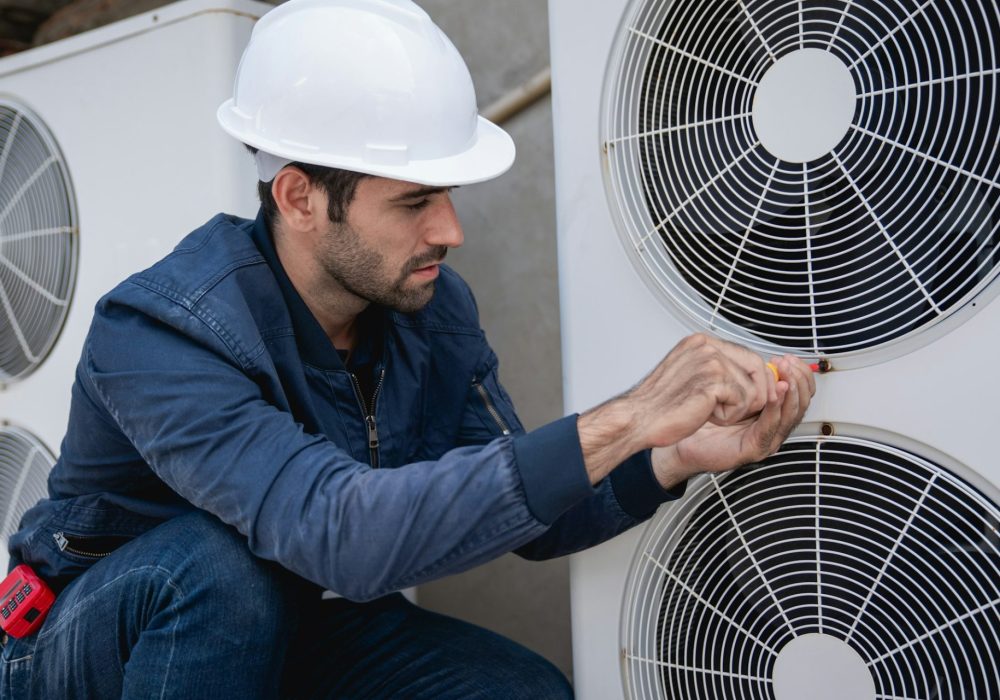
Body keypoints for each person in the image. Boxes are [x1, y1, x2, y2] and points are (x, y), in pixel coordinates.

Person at [0, 0, 815, 697]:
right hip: (93, 646)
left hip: (292, 621)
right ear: (300, 197)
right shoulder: (162, 333)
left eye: (448, 195)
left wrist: (669, 454)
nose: (450, 231)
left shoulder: (427, 309)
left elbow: (524, 505)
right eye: (415, 201)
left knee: (519, 691)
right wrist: (632, 415)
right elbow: (339, 534)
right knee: (218, 569)